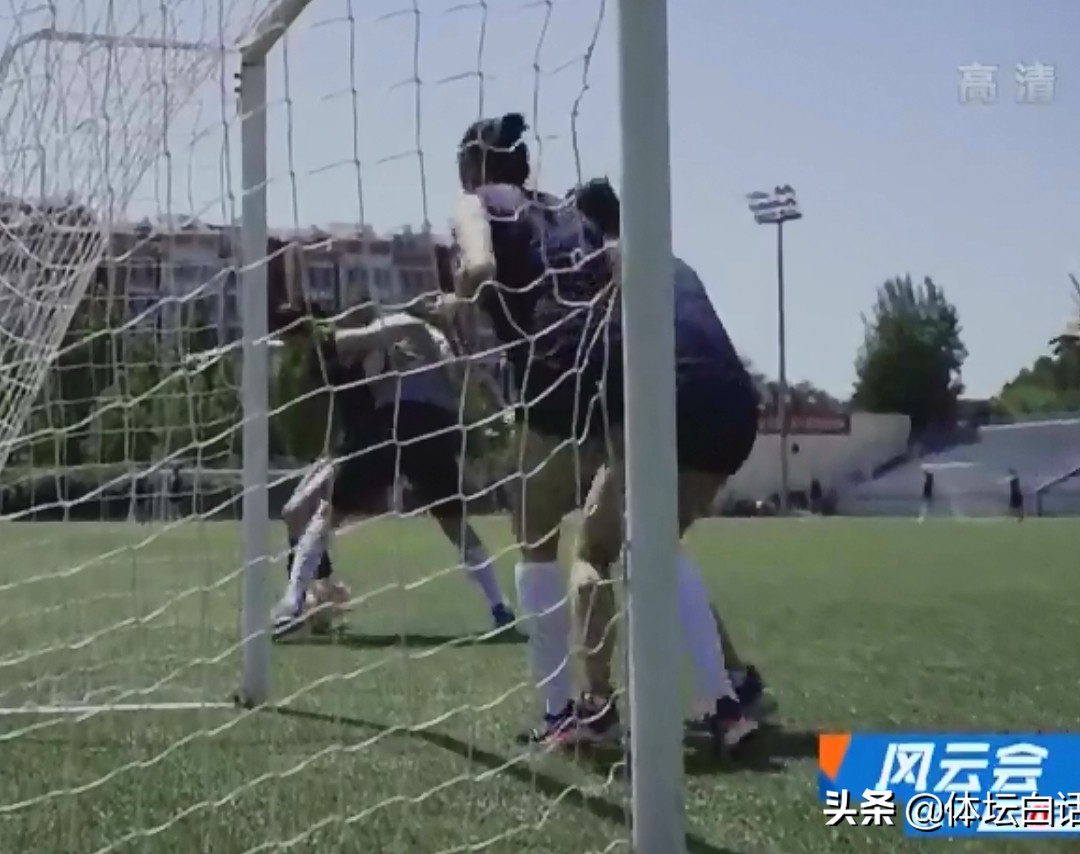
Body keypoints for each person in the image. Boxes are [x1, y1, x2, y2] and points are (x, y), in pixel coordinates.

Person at [449, 112, 759, 752]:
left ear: (471, 166)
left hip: (555, 377)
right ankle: (724, 700)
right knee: (647, 539)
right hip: (618, 381)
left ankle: (568, 711)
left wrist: (461, 294)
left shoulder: (476, 203)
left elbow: (478, 264)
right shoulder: (575, 215)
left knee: (543, 543)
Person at [271, 300, 516, 637]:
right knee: (455, 526)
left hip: (399, 424)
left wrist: (340, 338)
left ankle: (292, 601)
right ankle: (500, 607)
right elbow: (468, 385)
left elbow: (385, 336)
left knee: (330, 513)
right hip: (429, 428)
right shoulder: (435, 349)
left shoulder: (412, 330)